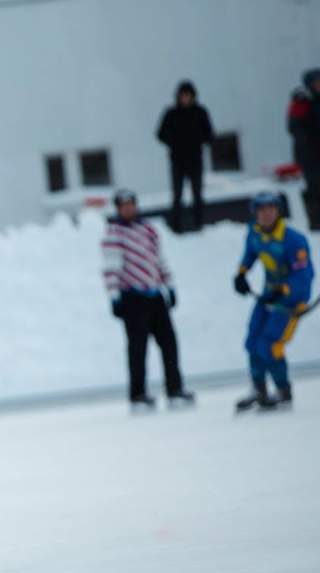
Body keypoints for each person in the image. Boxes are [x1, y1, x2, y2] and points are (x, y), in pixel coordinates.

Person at [102, 189, 194, 411]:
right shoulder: (114, 233)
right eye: (123, 206)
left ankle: (174, 389)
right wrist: (114, 296)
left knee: (169, 344)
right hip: (132, 297)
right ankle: (138, 394)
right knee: (138, 348)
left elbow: (158, 259)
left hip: (154, 294)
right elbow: (111, 267)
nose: (128, 209)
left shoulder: (148, 229)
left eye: (131, 204)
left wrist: (169, 285)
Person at [232, 192, 314, 411]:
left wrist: (285, 289)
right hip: (268, 295)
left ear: (278, 212)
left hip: (291, 300)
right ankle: (259, 389)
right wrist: (241, 273)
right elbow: (250, 252)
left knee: (269, 343)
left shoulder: (294, 240)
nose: (266, 215)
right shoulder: (255, 233)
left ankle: (283, 390)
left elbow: (304, 277)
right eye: (262, 210)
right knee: (252, 341)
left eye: (271, 210)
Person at [156, 80, 214, 233]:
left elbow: (209, 134)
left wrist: (196, 139)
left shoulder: (200, 112)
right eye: (183, 96)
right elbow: (160, 134)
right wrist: (174, 142)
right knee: (177, 194)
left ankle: (199, 223)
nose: (185, 98)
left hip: (195, 159)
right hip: (177, 160)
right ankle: (176, 226)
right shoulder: (171, 113)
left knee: (197, 193)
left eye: (188, 95)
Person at [288, 69, 320, 230]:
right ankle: (316, 221)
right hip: (310, 154)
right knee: (314, 187)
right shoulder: (301, 101)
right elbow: (294, 127)